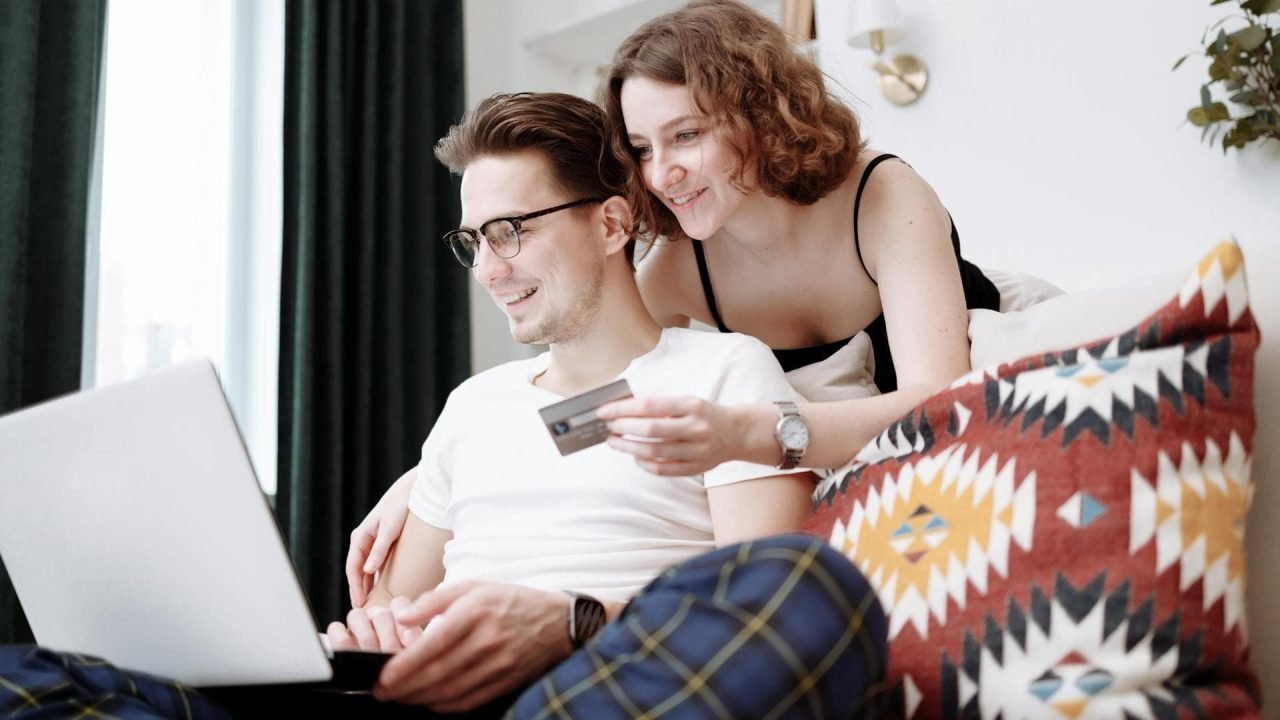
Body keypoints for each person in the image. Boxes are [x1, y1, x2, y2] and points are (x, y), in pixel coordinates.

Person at [349, 0, 1007, 595]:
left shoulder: (883, 198)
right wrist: (436, 476)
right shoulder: (680, 265)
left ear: (761, 114)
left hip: (939, 377)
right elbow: (609, 396)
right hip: (806, 431)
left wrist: (749, 432)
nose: (661, 174)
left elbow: (940, 407)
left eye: (686, 135)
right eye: (641, 148)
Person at [325, 91, 886, 717]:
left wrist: (573, 622)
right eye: (473, 241)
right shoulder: (473, 405)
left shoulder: (722, 374)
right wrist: (373, 635)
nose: (486, 269)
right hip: (429, 699)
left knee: (820, 592)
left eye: (509, 232)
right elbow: (383, 608)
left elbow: (758, 607)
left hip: (601, 683)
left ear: (612, 224)